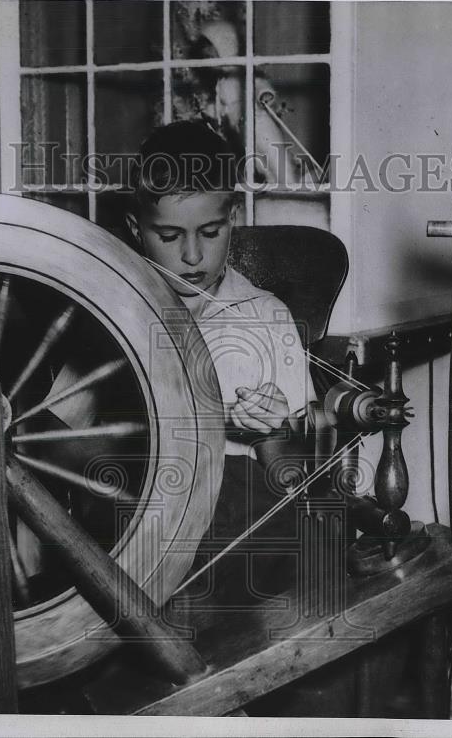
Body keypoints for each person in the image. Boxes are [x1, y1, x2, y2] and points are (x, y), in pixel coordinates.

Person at [124, 119, 316, 608]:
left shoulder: (266, 315)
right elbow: (64, 447)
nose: (192, 255)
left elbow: (286, 479)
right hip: (140, 516)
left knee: (284, 531)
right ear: (135, 230)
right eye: (169, 235)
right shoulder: (113, 316)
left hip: (238, 531)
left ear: (232, 218)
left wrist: (272, 433)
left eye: (209, 232)